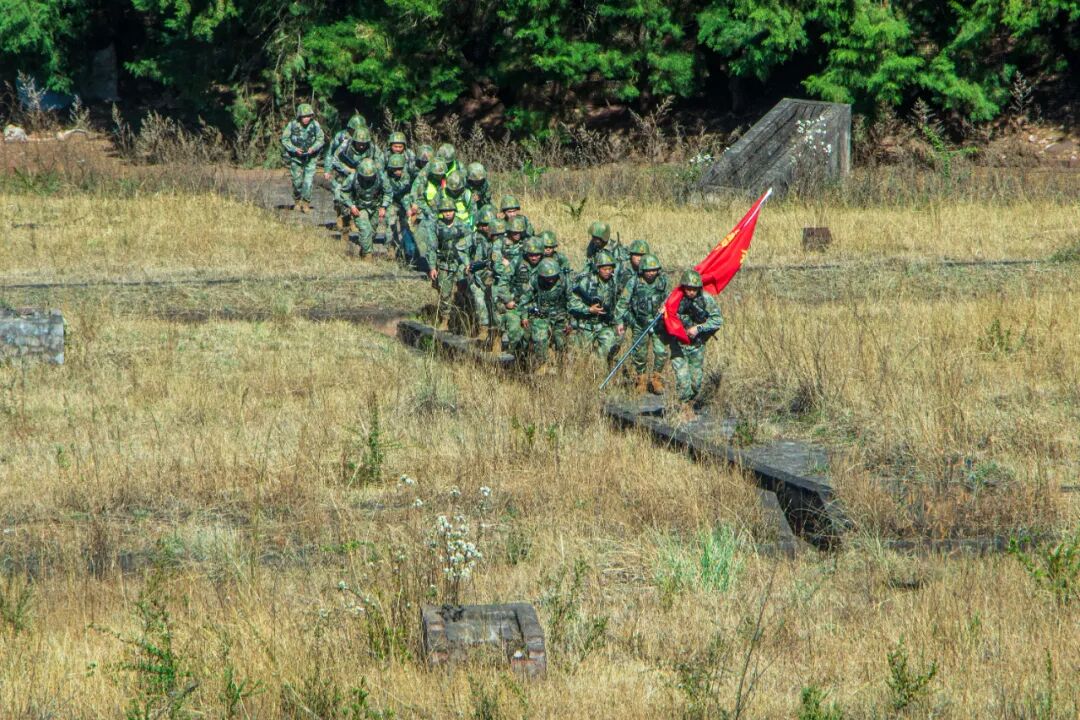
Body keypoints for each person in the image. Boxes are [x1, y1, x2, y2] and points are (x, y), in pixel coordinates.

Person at [668, 269, 724, 407]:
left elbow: (717, 320)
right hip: (678, 345)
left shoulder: (706, 299)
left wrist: (698, 328)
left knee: (696, 382)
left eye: (694, 289)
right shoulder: (674, 298)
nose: (691, 292)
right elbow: (666, 313)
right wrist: (663, 311)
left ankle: (690, 402)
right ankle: (684, 407)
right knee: (682, 379)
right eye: (688, 288)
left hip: (697, 346)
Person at [615, 253, 669, 394]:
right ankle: (641, 380)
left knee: (661, 352)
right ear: (642, 270)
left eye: (654, 270)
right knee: (639, 354)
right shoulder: (634, 282)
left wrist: (666, 307)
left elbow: (670, 299)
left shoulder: (662, 281)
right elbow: (623, 303)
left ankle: (656, 380)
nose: (651, 273)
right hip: (639, 323)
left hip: (658, 324)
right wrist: (619, 321)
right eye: (648, 270)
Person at [425, 192, 472, 329]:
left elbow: (470, 244)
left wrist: (468, 263)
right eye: (445, 211)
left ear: (454, 211)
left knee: (464, 292)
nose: (448, 213)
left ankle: (464, 319)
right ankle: (445, 320)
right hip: (444, 264)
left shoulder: (462, 225)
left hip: (460, 264)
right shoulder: (436, 226)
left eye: (450, 210)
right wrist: (432, 267)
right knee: (444, 294)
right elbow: (432, 248)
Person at [569, 250, 623, 363]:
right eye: (604, 269)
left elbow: (618, 304)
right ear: (598, 268)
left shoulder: (614, 283)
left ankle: (599, 367)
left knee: (609, 347)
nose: (608, 272)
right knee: (580, 358)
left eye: (610, 269)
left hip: (604, 325)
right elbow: (572, 303)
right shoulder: (586, 281)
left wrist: (618, 322)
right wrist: (589, 309)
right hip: (586, 325)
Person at [495, 238, 545, 356]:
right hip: (516, 304)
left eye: (537, 255)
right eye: (531, 255)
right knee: (515, 332)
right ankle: (512, 356)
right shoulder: (517, 261)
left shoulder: (546, 265)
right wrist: (507, 300)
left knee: (536, 333)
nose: (534, 258)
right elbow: (503, 282)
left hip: (535, 306)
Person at [333, 157, 389, 260]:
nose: (368, 179)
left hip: (375, 207)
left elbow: (388, 192)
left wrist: (383, 206)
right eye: (365, 177)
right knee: (365, 230)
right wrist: (351, 205)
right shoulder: (352, 178)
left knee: (372, 232)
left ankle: (363, 250)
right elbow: (344, 192)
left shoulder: (381, 177)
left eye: (370, 177)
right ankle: (368, 256)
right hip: (359, 208)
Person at [526, 258, 572, 370]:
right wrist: (525, 315)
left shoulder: (565, 281)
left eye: (553, 277)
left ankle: (562, 369)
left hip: (560, 317)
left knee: (562, 343)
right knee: (540, 340)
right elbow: (525, 299)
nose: (551, 280)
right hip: (540, 316)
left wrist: (571, 321)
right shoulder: (534, 280)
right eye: (547, 277)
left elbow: (571, 301)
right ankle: (541, 367)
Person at [280, 103, 325, 213]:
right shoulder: (292, 125)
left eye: (308, 116)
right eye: (304, 116)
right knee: (297, 182)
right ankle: (297, 200)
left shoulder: (315, 125)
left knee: (308, 182)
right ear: (299, 116)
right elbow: (284, 139)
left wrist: (313, 148)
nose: (306, 118)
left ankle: (306, 203)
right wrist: (294, 149)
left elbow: (321, 139)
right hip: (296, 158)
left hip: (311, 158)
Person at [384, 153, 418, 267]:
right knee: (390, 226)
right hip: (392, 203)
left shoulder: (407, 177)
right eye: (394, 169)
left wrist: (408, 208)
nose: (397, 171)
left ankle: (405, 253)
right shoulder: (385, 176)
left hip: (404, 202)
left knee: (406, 228)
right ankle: (390, 250)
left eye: (400, 168)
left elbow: (403, 194)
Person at [323, 114, 366, 182]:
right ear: (350, 128)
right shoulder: (341, 136)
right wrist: (327, 170)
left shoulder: (365, 138)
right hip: (340, 170)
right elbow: (330, 152)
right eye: (355, 130)